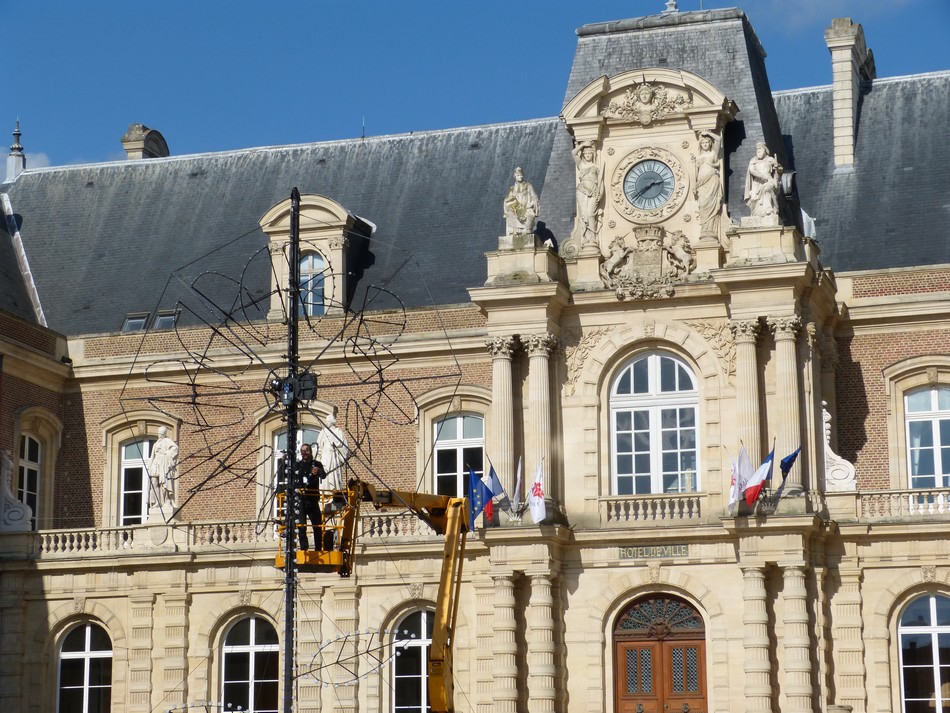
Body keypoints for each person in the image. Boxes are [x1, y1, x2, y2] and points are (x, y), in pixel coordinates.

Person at [295, 443, 325, 550]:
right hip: (301, 500)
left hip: (312, 499)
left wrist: (318, 471)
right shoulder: (298, 465)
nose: (305, 452)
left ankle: (318, 547)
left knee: (317, 525)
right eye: (302, 451)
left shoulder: (317, 463)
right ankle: (304, 547)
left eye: (307, 450)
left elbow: (323, 475)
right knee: (301, 525)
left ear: (311, 451)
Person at [572, 142, 602, 245]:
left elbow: (601, 183)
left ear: (593, 154)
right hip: (582, 190)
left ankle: (593, 237)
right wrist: (583, 144)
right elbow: (574, 153)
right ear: (584, 155)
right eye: (586, 154)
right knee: (584, 214)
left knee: (590, 213)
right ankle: (587, 237)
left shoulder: (597, 167)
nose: (588, 155)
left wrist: (600, 193)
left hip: (593, 190)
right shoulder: (581, 165)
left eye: (590, 153)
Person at [694, 132, 723, 238]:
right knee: (702, 204)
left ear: (710, 143)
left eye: (707, 142)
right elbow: (695, 172)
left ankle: (709, 229)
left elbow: (719, 139)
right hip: (701, 184)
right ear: (700, 145)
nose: (705, 144)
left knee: (710, 203)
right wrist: (694, 185)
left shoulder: (713, 154)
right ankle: (704, 227)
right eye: (703, 142)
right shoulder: (698, 157)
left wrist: (708, 133)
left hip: (711, 181)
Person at [744, 141, 782, 220]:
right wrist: (761, 176)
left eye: (760, 148)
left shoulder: (770, 159)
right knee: (754, 198)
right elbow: (751, 170)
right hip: (757, 183)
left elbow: (780, 170)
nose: (758, 150)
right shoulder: (754, 160)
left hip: (769, 181)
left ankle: (769, 209)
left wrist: (776, 165)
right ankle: (758, 213)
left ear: (765, 150)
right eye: (757, 149)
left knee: (767, 188)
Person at [147, 427, 179, 509]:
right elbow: (152, 456)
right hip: (155, 463)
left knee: (163, 483)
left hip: (163, 464)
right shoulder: (155, 444)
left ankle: (165, 501)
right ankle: (157, 501)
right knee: (154, 483)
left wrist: (167, 453)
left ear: (164, 434)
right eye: (159, 433)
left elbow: (175, 448)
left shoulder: (167, 441)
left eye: (161, 434)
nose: (160, 435)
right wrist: (149, 466)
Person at [503, 167, 540, 236]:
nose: (520, 177)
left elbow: (534, 197)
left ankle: (525, 230)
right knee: (510, 212)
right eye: (518, 175)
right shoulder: (512, 189)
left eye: (521, 175)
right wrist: (510, 203)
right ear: (515, 177)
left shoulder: (528, 186)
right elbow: (507, 201)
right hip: (516, 209)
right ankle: (515, 231)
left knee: (529, 215)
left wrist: (531, 204)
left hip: (526, 208)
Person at [317, 413, 349, 491]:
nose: (326, 422)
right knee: (325, 475)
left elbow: (344, 447)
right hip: (325, 457)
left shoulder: (338, 432)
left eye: (328, 421)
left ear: (332, 421)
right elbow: (319, 446)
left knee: (334, 475)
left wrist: (337, 449)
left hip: (334, 458)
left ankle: (335, 491)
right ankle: (325, 492)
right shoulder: (323, 432)